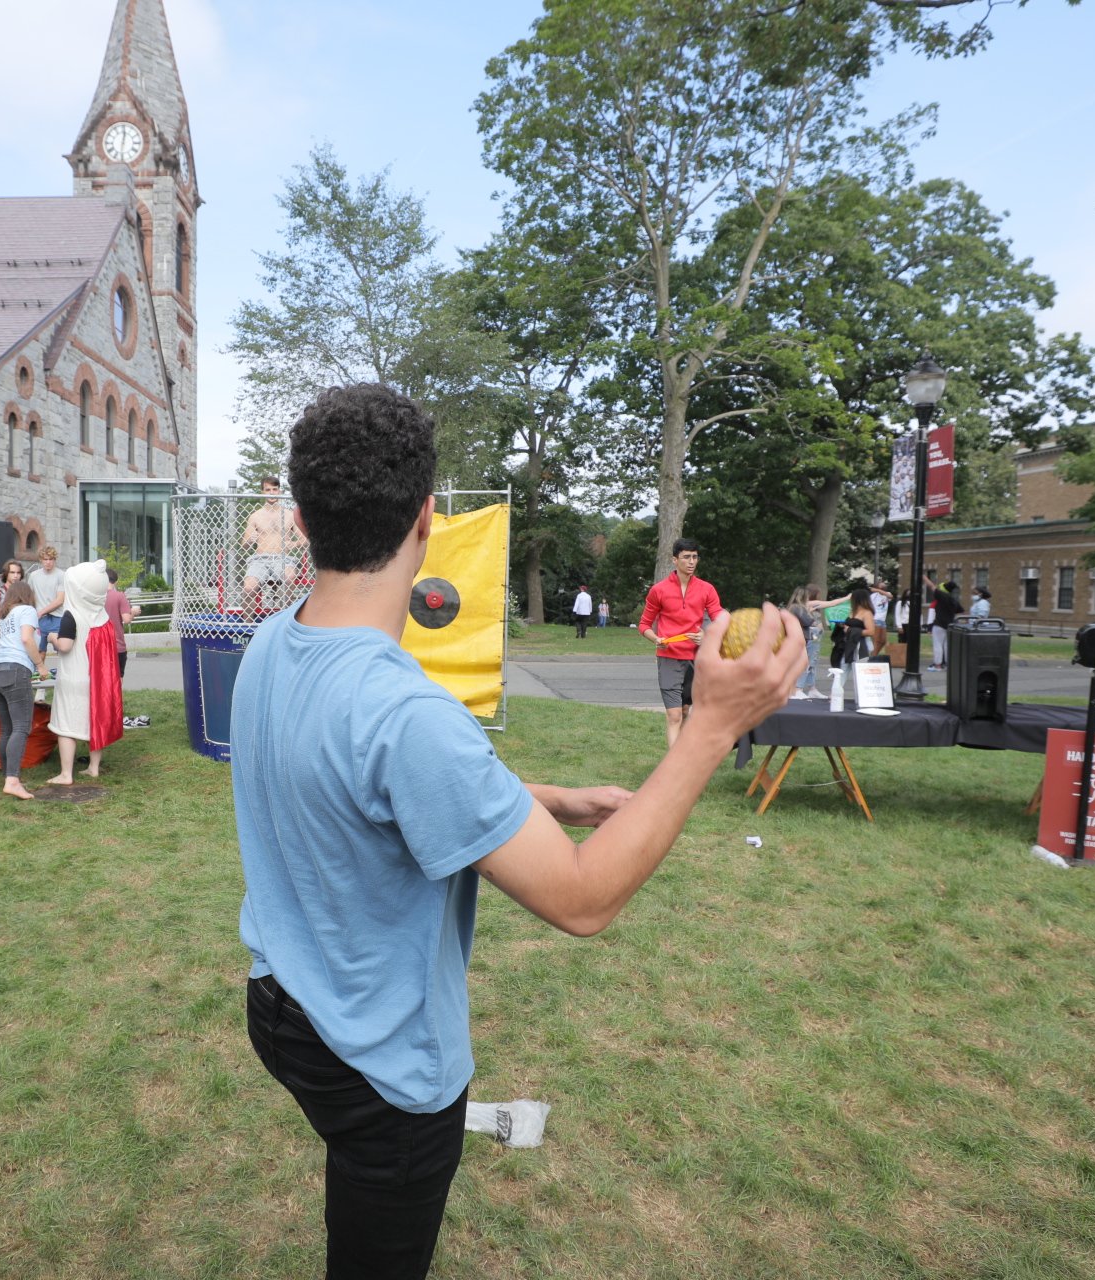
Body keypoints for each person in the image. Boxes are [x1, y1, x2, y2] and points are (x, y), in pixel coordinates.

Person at [231, 384, 804, 1276]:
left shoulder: (272, 642)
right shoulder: (407, 714)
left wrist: (556, 798)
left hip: (281, 1008)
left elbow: (364, 783)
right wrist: (712, 728)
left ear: (300, 521)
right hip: (380, 1065)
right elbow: (581, 899)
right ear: (427, 520)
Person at [46, 561, 124, 783]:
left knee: (66, 726)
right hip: (96, 680)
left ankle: (65, 774)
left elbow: (65, 645)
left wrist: (52, 638)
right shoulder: (103, 616)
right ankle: (93, 767)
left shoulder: (72, 615)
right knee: (94, 723)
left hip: (73, 679)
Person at [639, 539, 722, 746]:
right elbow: (644, 625)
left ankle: (682, 754)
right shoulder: (659, 590)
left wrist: (707, 636)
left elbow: (720, 620)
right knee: (674, 715)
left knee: (685, 711)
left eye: (695, 557)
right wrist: (656, 639)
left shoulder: (707, 589)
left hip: (697, 659)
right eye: (686, 557)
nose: (691, 561)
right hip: (669, 658)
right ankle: (675, 763)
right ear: (675, 560)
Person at [0, 581, 50, 799]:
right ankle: (13, 781)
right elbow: (26, 639)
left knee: (7, 729)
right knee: (21, 727)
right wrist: (40, 666)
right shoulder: (27, 610)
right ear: (28, 595)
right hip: (15, 671)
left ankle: (8, 775)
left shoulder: (4, 616)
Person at [241, 476, 307, 612]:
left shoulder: (289, 515)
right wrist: (249, 540)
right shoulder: (255, 516)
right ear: (262, 493)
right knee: (248, 588)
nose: (271, 493)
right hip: (259, 560)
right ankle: (248, 624)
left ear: (279, 491)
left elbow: (305, 540)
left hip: (283, 559)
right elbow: (244, 545)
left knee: (289, 578)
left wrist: (294, 544)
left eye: (274, 489)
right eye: (268, 490)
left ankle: (283, 617)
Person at [26, 547, 67, 660]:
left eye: (51, 559)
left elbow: (60, 600)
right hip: (40, 618)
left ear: (54, 560)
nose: (48, 562)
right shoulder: (34, 575)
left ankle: (61, 671)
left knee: (61, 649)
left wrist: (41, 612)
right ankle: (40, 670)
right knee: (40, 650)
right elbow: (29, 596)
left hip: (57, 616)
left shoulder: (61, 575)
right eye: (45, 559)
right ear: (40, 559)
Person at [786, 584, 824, 699]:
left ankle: (793, 690)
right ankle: (795, 690)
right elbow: (808, 621)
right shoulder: (798, 608)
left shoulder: (792, 607)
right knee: (801, 663)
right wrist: (810, 612)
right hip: (801, 637)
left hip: (796, 637)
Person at [104, 567, 140, 679]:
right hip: (117, 644)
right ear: (116, 582)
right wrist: (133, 612)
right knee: (118, 676)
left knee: (103, 676)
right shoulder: (120, 596)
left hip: (100, 644)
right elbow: (127, 619)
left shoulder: (95, 597)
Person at [924, 576, 962, 671]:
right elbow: (960, 611)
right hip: (950, 625)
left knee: (938, 645)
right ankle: (947, 664)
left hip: (940, 624)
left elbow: (931, 586)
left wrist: (924, 577)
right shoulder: (953, 599)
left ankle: (938, 665)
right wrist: (951, 615)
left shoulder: (942, 596)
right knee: (946, 645)